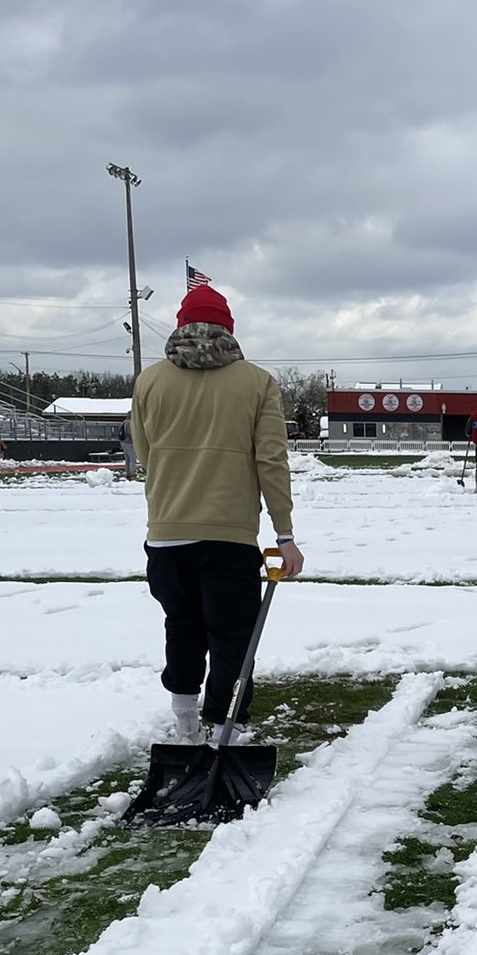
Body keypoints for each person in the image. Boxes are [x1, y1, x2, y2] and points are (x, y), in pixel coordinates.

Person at [129, 284, 303, 745]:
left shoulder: (149, 381)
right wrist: (284, 533)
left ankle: (186, 723)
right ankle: (230, 727)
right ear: (228, 327)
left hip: (167, 534)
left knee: (181, 627)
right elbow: (271, 460)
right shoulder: (256, 382)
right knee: (232, 638)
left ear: (181, 324)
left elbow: (146, 454)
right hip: (229, 537)